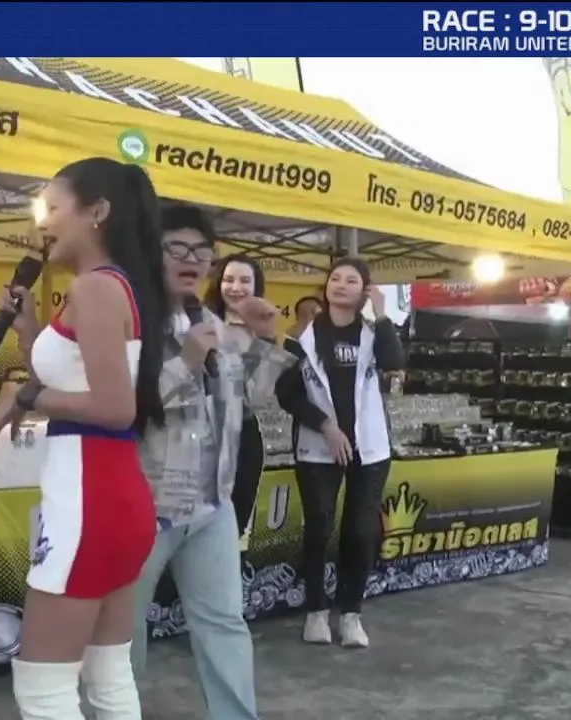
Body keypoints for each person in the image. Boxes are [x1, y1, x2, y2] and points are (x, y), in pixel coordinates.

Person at [0, 157, 168, 720]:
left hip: (90, 500)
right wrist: (29, 334)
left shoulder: (95, 289)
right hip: (109, 496)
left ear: (97, 212)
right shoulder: (114, 287)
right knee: (108, 677)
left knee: (44, 689)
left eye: (53, 207)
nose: (43, 221)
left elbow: (115, 408)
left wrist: (29, 400)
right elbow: (77, 378)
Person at [132, 202, 295, 719]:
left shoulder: (213, 326)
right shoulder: (132, 322)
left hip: (212, 502)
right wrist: (185, 361)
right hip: (146, 506)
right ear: (151, 252)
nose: (192, 260)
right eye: (177, 248)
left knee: (224, 623)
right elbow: (129, 408)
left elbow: (250, 399)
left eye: (202, 251)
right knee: (123, 628)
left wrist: (263, 339)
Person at [274, 258, 406, 648]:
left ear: (364, 290)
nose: (341, 285)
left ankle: (351, 613)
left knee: (361, 532)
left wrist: (382, 313)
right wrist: (326, 426)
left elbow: (395, 364)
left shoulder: (373, 334)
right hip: (318, 447)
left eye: (352, 280)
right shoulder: (300, 338)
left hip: (370, 448)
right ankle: (316, 611)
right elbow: (286, 394)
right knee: (318, 529)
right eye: (335, 278)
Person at [203, 250, 271, 540]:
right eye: (229, 279)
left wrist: (265, 339)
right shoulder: (201, 324)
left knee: (236, 523)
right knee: (203, 521)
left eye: (245, 281)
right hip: (204, 433)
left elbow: (262, 394)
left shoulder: (261, 331)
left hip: (245, 434)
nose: (236, 287)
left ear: (256, 287)